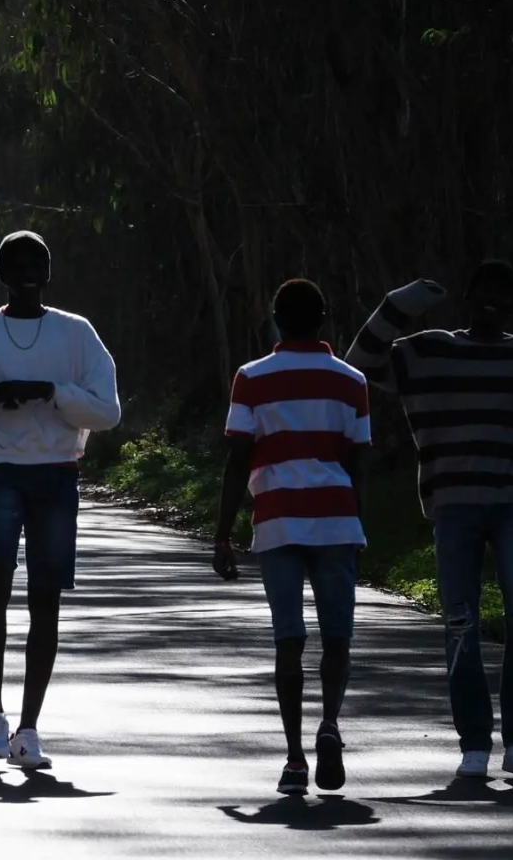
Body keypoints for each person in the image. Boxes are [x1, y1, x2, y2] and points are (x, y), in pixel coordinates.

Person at [344, 260, 513, 781]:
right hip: (454, 505)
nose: (492, 302)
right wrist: (403, 301)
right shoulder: (429, 350)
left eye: (503, 294)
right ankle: (475, 745)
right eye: (483, 291)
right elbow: (359, 366)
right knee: (460, 624)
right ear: (466, 298)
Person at [0, 230, 121, 770]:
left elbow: (108, 411)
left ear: (48, 271)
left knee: (46, 599)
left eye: (35, 263)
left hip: (57, 474)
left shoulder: (75, 333)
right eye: (15, 265)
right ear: (0, 274)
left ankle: (30, 727)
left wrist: (51, 392)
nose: (26, 273)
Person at [213, 279, 370, 797]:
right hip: (336, 520)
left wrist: (222, 535)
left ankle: (295, 758)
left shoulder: (251, 378)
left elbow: (239, 457)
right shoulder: (352, 380)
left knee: (289, 639)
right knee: (337, 637)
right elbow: (358, 461)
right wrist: (359, 523)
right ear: (324, 319)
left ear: (275, 318)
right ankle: (330, 723)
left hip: (278, 520)